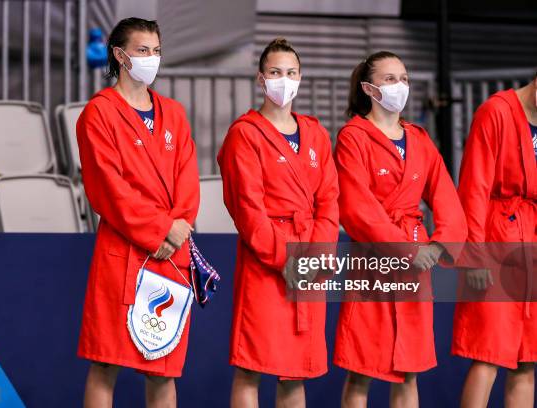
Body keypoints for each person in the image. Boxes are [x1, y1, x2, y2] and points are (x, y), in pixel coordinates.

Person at [75, 17, 199, 408]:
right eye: (142, 50)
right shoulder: (99, 113)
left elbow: (188, 178)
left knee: (163, 367)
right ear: (119, 55)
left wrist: (178, 227)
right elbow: (108, 189)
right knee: (105, 362)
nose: (151, 58)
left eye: (156, 51)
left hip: (170, 256)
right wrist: (162, 228)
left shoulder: (174, 114)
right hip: (123, 252)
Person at [332, 51, 468, 407]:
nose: (400, 86)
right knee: (362, 367)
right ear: (368, 88)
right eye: (390, 79)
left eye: (404, 79)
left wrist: (438, 246)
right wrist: (408, 250)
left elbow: (446, 197)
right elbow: (356, 206)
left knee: (410, 368)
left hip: (417, 262)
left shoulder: (420, 139)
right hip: (374, 261)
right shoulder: (353, 137)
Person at [217, 38, 340, 408]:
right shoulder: (245, 134)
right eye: (275, 73)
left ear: (300, 78)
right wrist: (286, 259)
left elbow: (330, 199)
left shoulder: (316, 134)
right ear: (260, 79)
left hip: (308, 258)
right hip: (267, 261)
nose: (283, 80)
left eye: (290, 73)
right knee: (252, 365)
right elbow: (248, 208)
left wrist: (315, 256)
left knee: (295, 370)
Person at [452, 71, 537, 408]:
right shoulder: (496, 111)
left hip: (530, 239)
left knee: (527, 359)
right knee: (488, 354)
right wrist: (474, 255)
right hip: (496, 238)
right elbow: (473, 188)